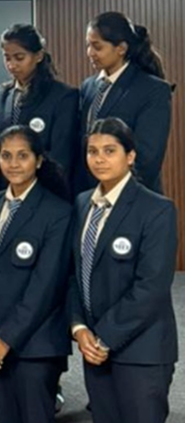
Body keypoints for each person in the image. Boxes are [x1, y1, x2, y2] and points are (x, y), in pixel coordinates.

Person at [68, 117, 178, 423]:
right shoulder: (82, 204)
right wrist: (79, 327)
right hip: (93, 349)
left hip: (141, 350)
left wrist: (104, 337)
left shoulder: (157, 209)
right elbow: (74, 273)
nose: (99, 159)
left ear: (130, 156)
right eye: (92, 151)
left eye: (110, 150)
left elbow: (151, 286)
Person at [0, 125, 72, 422]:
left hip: (35, 343)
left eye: (22, 156)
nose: (13, 164)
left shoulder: (58, 212)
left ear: (38, 160)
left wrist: (5, 341)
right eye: (6, 156)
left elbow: (45, 287)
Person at [74, 11, 172, 194]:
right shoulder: (88, 87)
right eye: (88, 45)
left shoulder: (152, 89)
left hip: (133, 196)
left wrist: (114, 194)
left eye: (97, 47)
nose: (90, 53)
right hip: (92, 195)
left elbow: (147, 158)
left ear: (121, 48)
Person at [0, 23, 78, 195]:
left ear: (38, 56)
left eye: (19, 58)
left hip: (46, 194)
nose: (12, 65)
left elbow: (60, 156)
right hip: (4, 193)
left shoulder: (62, 96)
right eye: (7, 58)